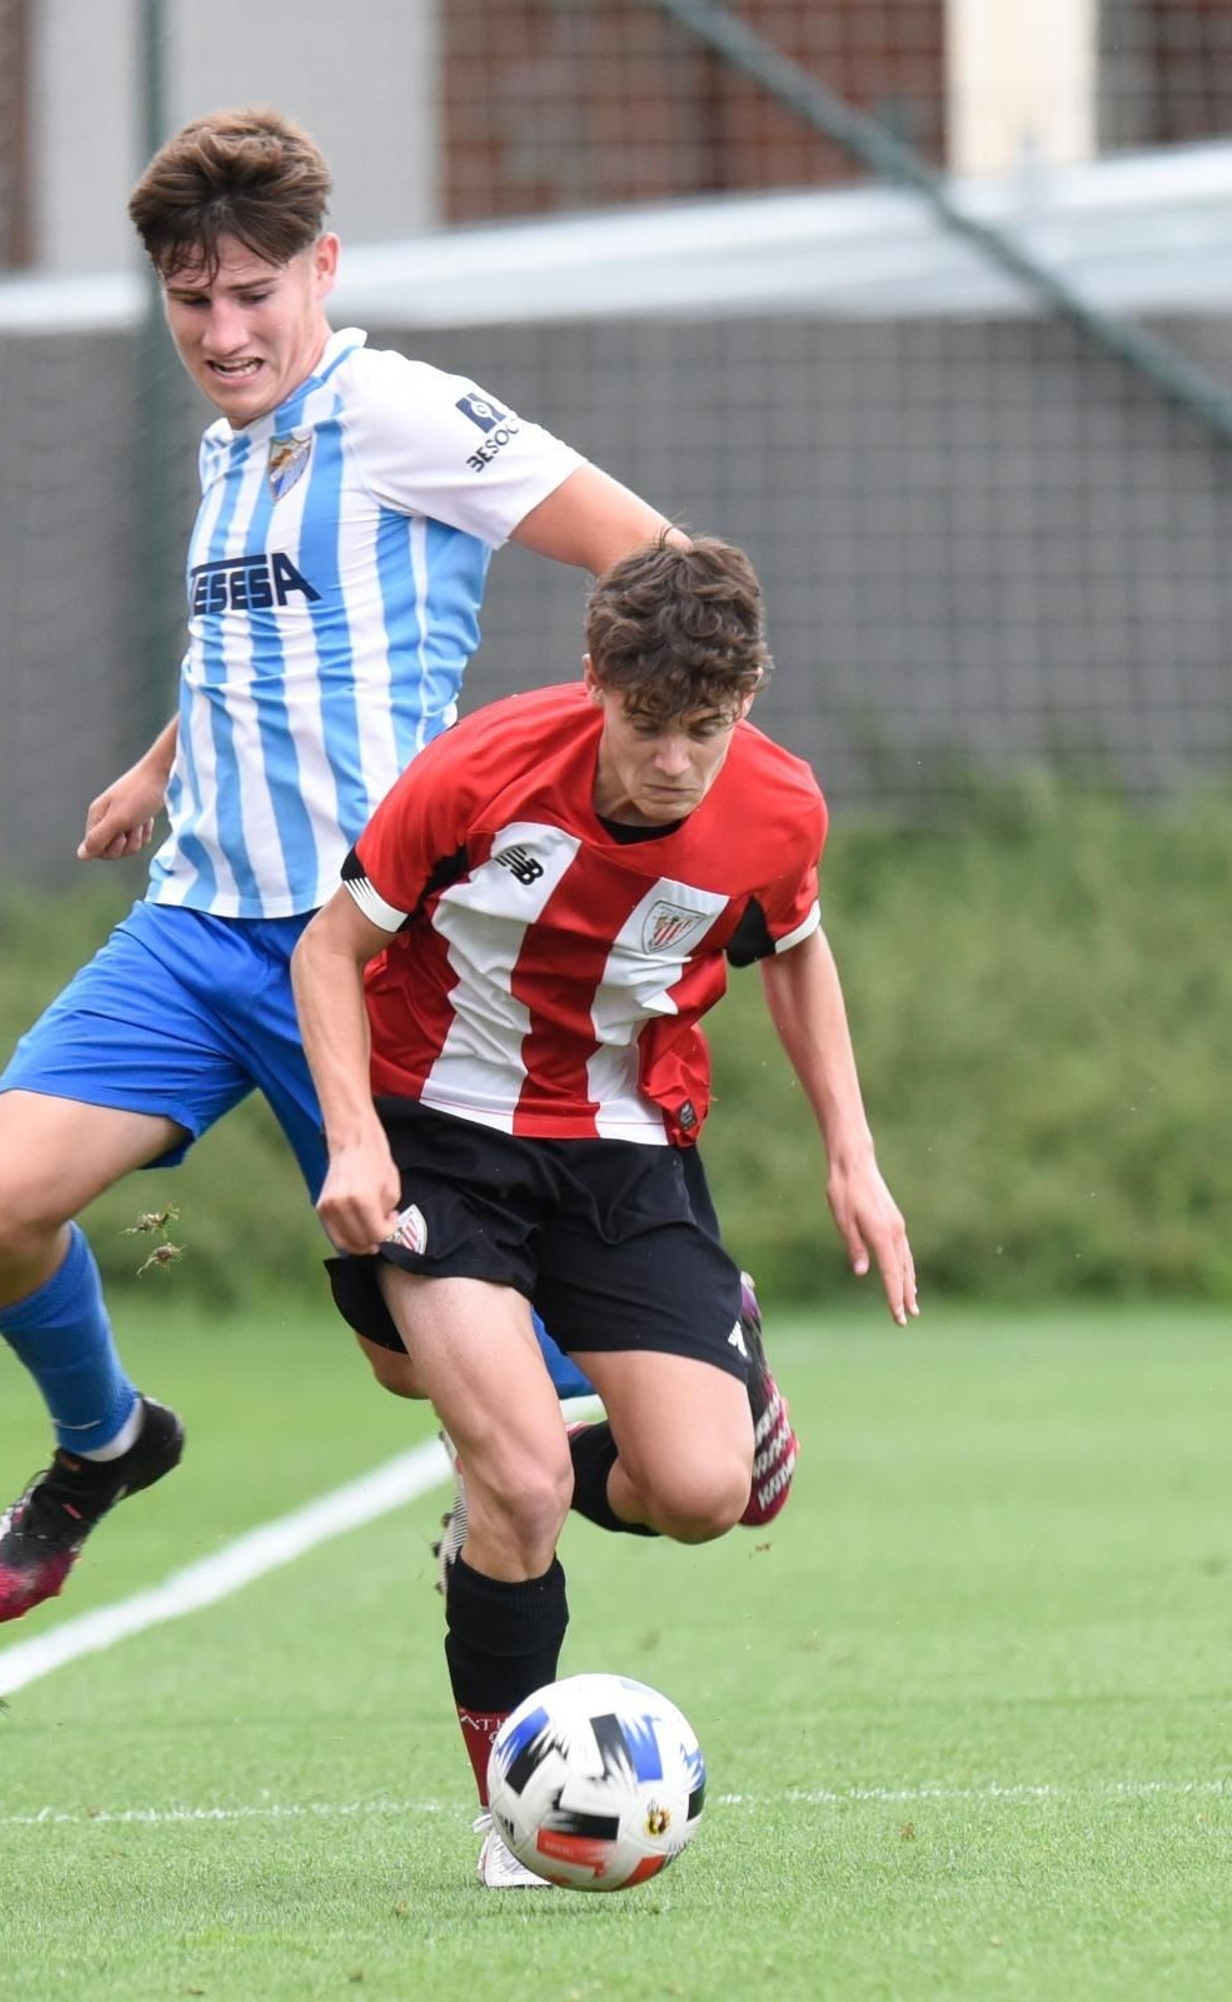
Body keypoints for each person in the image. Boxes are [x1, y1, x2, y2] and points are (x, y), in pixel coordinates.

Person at [0, 105, 691, 1627]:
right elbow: (261, 643)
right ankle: (107, 1440)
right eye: (190, 301)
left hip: (367, 951)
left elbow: (653, 558)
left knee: (450, 1380)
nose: (222, 330)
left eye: (252, 294)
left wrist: (560, 775)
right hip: (197, 930)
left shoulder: (401, 416)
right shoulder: (234, 447)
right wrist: (160, 765)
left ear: (322, 268)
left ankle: (699, 1378)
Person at [290, 534, 916, 1888]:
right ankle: (509, 1810)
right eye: (650, 724)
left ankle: (546, 1452)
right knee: (506, 1466)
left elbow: (796, 955)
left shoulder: (777, 807)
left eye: (711, 726)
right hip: (438, 1141)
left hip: (626, 1150)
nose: (679, 760)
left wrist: (851, 1156)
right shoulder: (478, 772)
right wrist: (350, 1140)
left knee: (700, 1492)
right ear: (597, 681)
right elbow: (328, 948)